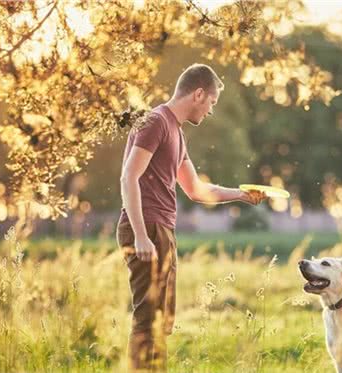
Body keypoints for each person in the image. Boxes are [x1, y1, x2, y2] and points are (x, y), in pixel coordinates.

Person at [116, 63, 267, 371]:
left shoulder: (176, 133)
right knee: (148, 319)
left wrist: (241, 193)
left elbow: (196, 190)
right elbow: (128, 177)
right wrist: (141, 234)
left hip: (162, 229)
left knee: (161, 320)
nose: (211, 110)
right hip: (147, 227)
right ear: (199, 94)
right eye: (212, 101)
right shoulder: (155, 122)